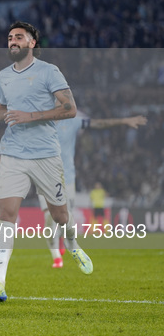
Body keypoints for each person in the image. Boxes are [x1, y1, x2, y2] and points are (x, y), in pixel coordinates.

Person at [0, 21, 93, 303]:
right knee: (6, 214)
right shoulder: (4, 75)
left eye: (19, 37)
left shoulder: (48, 71)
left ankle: (73, 245)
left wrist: (31, 116)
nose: (12, 41)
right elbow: (4, 108)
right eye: (9, 37)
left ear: (32, 43)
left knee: (60, 216)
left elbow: (70, 109)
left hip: (45, 154)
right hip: (13, 153)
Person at [40, 114, 147, 268]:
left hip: (67, 178)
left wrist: (123, 120)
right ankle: (56, 257)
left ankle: (67, 241)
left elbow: (99, 122)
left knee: (65, 217)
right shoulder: (38, 119)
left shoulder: (72, 121)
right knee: (49, 218)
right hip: (43, 177)